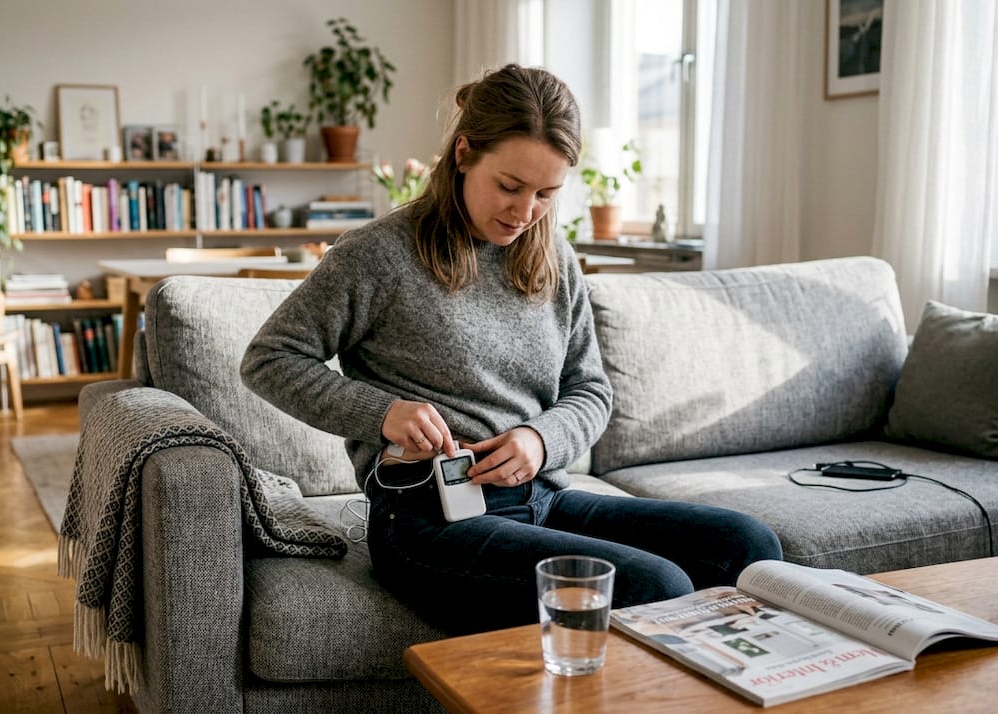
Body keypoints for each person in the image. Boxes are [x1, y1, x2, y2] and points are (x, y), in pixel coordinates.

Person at [241, 64, 781, 635]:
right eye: (510, 186)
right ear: (464, 154)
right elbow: (269, 359)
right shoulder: (376, 255)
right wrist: (384, 414)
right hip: (428, 520)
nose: (525, 212)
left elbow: (591, 389)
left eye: (547, 194)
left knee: (748, 546)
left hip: (544, 498)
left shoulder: (554, 257)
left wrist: (540, 440)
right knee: (654, 587)